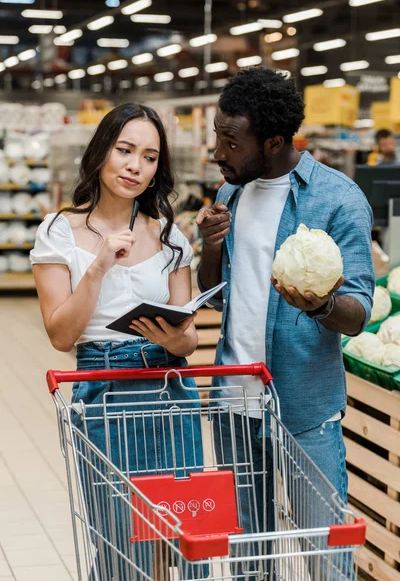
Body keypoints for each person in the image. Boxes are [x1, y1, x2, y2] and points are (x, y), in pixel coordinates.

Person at [196, 67, 374, 578]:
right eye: (216, 136)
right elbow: (218, 298)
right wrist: (210, 250)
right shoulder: (231, 193)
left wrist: (317, 305)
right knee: (250, 559)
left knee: (324, 560)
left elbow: (359, 313)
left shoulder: (337, 199)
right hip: (233, 403)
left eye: (230, 142)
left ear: (274, 141)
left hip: (304, 409)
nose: (217, 153)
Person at [30, 103, 203, 580]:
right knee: (120, 541)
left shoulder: (170, 238)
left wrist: (178, 339)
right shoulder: (57, 233)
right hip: (104, 393)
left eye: (149, 157)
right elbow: (61, 334)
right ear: (101, 153)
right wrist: (101, 263)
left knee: (184, 538)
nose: (135, 165)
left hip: (169, 391)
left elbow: (189, 339)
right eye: (125, 150)